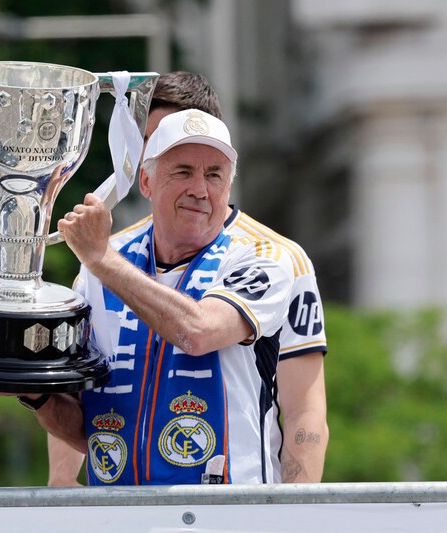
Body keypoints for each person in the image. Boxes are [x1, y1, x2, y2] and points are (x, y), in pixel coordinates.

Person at [42, 72, 329, 486]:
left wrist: (297, 516)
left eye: (213, 173)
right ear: (147, 175)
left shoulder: (273, 255)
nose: (199, 188)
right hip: (117, 514)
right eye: (181, 168)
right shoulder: (100, 263)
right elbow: (87, 418)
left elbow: (305, 412)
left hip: (230, 515)